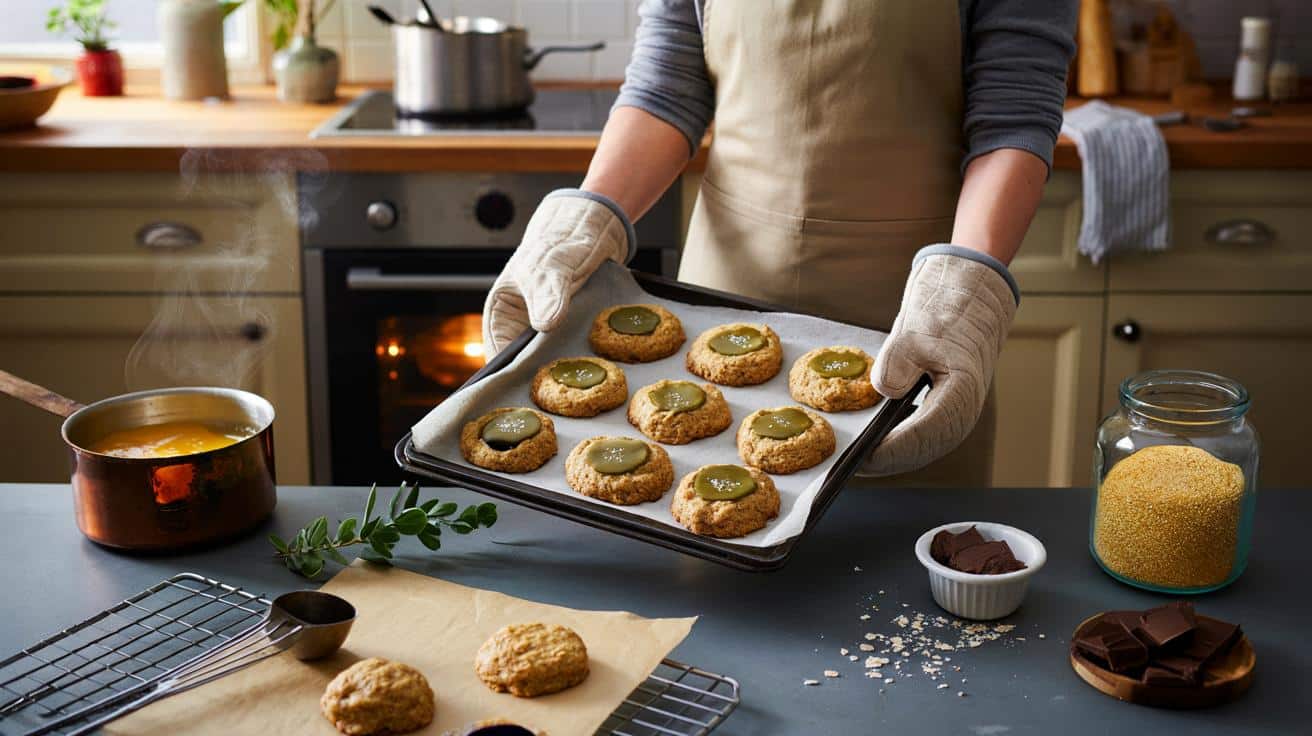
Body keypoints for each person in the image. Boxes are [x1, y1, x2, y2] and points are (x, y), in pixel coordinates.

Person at [482, 0, 1078, 485]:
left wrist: (962, 295)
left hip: (917, 318)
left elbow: (1012, 118)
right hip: (719, 302)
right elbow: (667, 89)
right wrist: (582, 223)